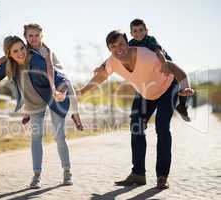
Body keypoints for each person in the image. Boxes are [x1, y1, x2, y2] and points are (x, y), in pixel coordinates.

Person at [77, 30, 193, 189]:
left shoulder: (145, 56)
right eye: (113, 46)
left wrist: (185, 88)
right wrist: (82, 92)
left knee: (162, 127)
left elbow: (173, 67)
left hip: (167, 87)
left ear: (128, 43)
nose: (119, 48)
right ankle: (138, 174)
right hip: (145, 92)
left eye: (121, 44)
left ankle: (162, 176)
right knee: (136, 127)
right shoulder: (113, 62)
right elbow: (101, 76)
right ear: (109, 49)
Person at [0, 36, 73, 189]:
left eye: (22, 48)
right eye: (15, 51)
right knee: (36, 137)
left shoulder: (36, 59)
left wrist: (61, 91)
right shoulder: (9, 66)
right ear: (9, 54)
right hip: (34, 104)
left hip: (54, 98)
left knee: (59, 136)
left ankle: (67, 171)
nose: (20, 53)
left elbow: (58, 77)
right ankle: (37, 176)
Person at [0, 23, 83, 130]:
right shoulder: (25, 47)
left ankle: (76, 115)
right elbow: (7, 56)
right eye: (30, 36)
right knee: (26, 81)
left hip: (54, 69)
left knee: (68, 85)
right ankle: (28, 109)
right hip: (40, 72)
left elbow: (50, 68)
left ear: (41, 36)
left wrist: (53, 87)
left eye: (37, 35)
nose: (34, 39)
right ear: (25, 36)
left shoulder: (46, 50)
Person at [128, 18, 191, 121]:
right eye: (135, 31)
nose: (138, 33)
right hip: (153, 75)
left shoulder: (150, 39)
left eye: (141, 30)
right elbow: (117, 55)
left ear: (146, 30)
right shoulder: (131, 44)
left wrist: (165, 64)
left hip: (167, 66)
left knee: (181, 86)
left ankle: (182, 105)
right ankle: (139, 120)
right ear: (131, 33)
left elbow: (158, 52)